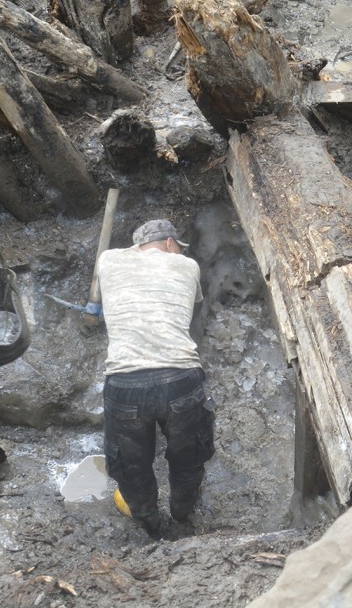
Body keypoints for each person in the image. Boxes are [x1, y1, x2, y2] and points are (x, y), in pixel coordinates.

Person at [96, 219, 214, 537]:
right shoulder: (187, 266)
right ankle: (182, 516)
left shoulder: (107, 261)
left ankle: (149, 524)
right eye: (177, 245)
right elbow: (195, 305)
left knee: (131, 465)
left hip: (124, 383)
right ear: (169, 244)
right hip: (180, 379)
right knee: (188, 457)